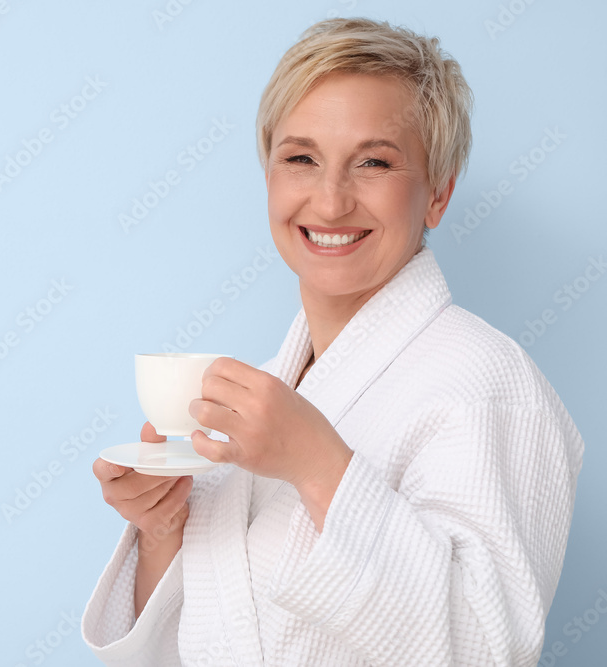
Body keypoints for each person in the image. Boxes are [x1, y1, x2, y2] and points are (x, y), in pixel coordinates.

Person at [81, 17, 584, 666]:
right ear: (269, 175)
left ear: (438, 193)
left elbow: (483, 649)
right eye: (301, 158)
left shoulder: (488, 384)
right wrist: (162, 529)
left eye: (374, 162)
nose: (330, 198)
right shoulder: (269, 396)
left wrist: (319, 463)